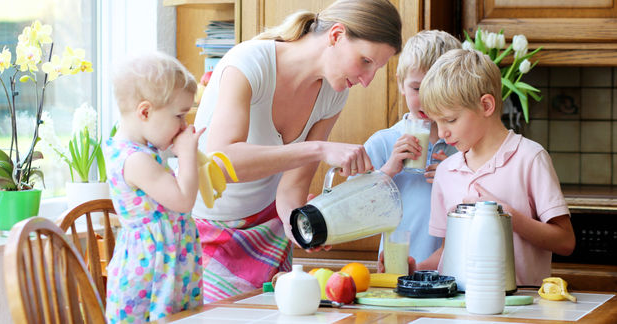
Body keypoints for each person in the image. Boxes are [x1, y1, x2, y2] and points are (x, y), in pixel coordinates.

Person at [192, 0, 402, 302]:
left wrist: (303, 226)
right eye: (366, 61)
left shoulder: (333, 93)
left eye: (376, 69)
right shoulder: (250, 63)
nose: (367, 81)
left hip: (268, 235)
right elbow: (222, 163)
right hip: (206, 231)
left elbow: (290, 192)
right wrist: (317, 149)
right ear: (336, 36)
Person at [419, 48, 576, 285]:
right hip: (458, 311)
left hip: (521, 310)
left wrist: (508, 216)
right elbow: (446, 253)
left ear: (486, 106)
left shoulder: (530, 158)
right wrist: (416, 268)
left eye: (450, 120)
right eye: (436, 122)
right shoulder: (446, 171)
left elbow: (565, 242)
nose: (442, 133)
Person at [104, 51, 204, 322]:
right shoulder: (135, 160)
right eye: (179, 116)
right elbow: (183, 201)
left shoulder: (142, 150)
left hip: (168, 267)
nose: (184, 126)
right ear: (145, 111)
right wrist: (186, 154)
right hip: (148, 277)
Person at [364, 30, 460, 274]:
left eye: (436, 89)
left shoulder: (465, 147)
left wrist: (458, 176)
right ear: (400, 83)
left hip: (456, 277)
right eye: (417, 88)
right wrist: (388, 171)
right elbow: (356, 213)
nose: (426, 100)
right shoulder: (383, 144)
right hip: (398, 275)